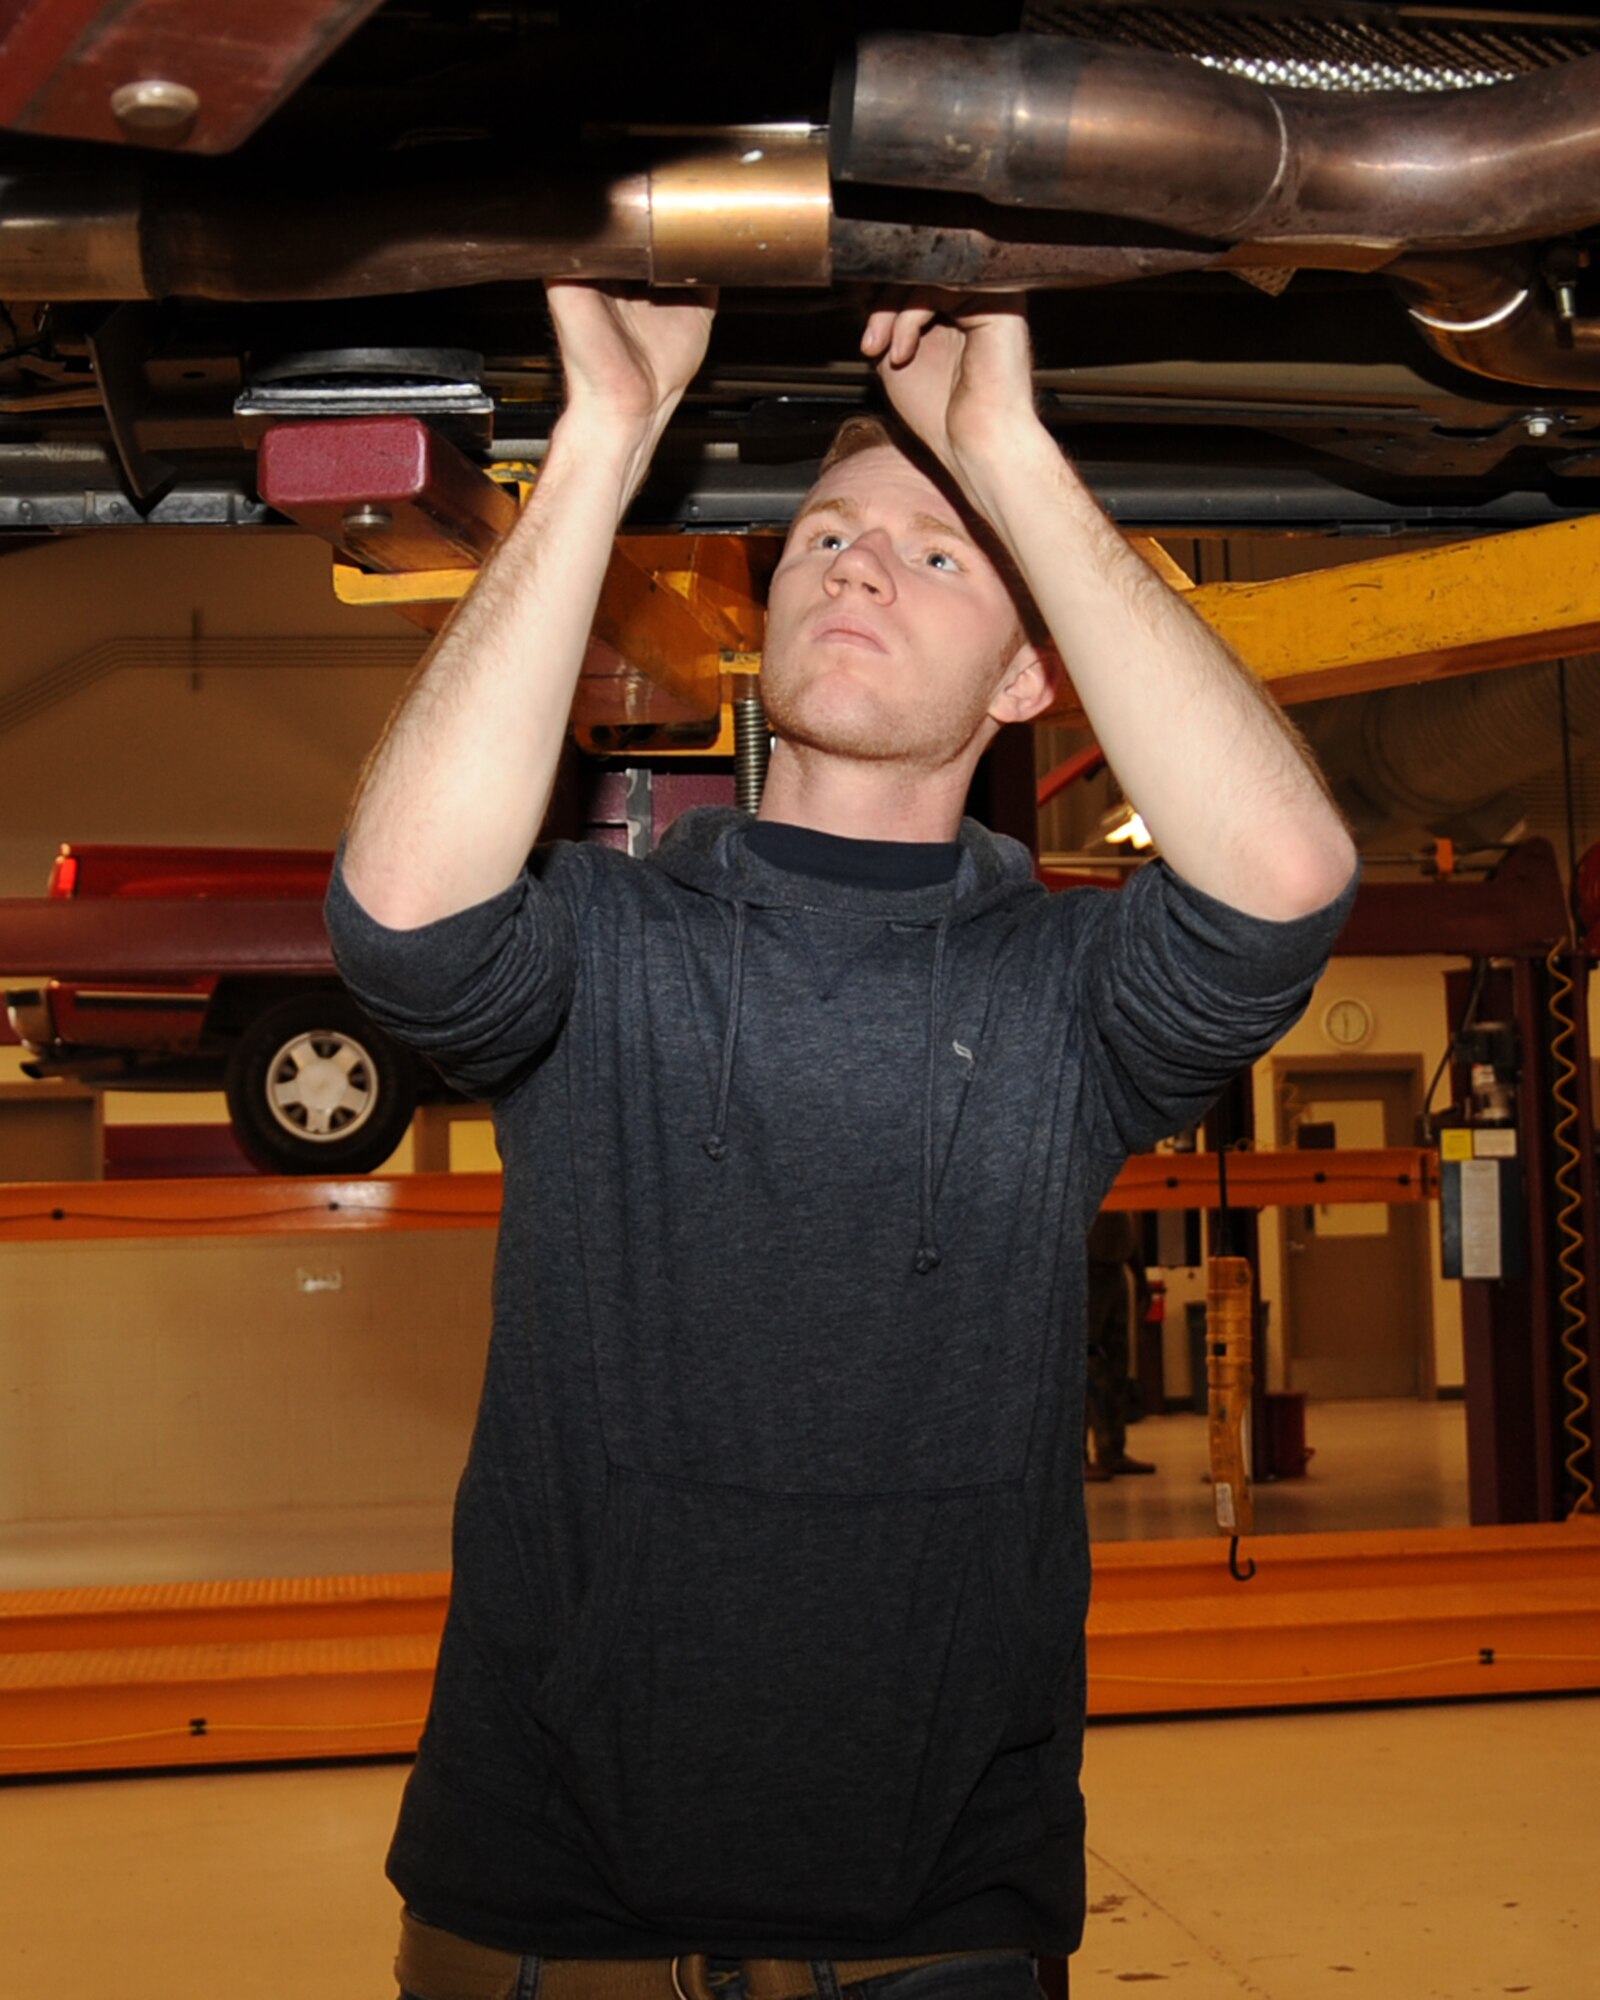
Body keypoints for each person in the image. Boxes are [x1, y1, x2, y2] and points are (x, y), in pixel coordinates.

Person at [327, 284, 1357, 2000]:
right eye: (824, 536)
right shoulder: (601, 940)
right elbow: (407, 914)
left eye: (938, 556)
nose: (861, 564)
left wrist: (1010, 458)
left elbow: (1284, 883)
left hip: (934, 1925)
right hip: (545, 1919)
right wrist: (605, 439)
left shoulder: (1070, 991)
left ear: (1034, 673)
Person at [1082, 1210, 1153, 1482]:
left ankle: (1113, 1450)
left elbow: (1129, 1227)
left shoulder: (1123, 1177)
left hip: (1116, 1269)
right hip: (1087, 1269)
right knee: (1086, 1365)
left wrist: (1141, 1279)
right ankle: (1079, 1457)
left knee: (1117, 1366)